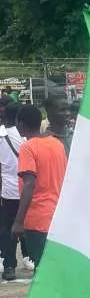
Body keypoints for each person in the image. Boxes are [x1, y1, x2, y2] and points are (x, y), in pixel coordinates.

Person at [12, 105, 68, 267]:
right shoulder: (57, 144)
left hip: (38, 219)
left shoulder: (28, 148)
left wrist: (18, 222)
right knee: (55, 268)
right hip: (58, 216)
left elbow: (29, 184)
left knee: (42, 268)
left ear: (21, 124)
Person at [0, 102, 33, 280]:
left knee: (8, 230)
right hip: (29, 190)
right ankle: (32, 260)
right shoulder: (29, 137)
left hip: (9, 192)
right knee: (31, 227)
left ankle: (9, 266)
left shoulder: (1, 136)